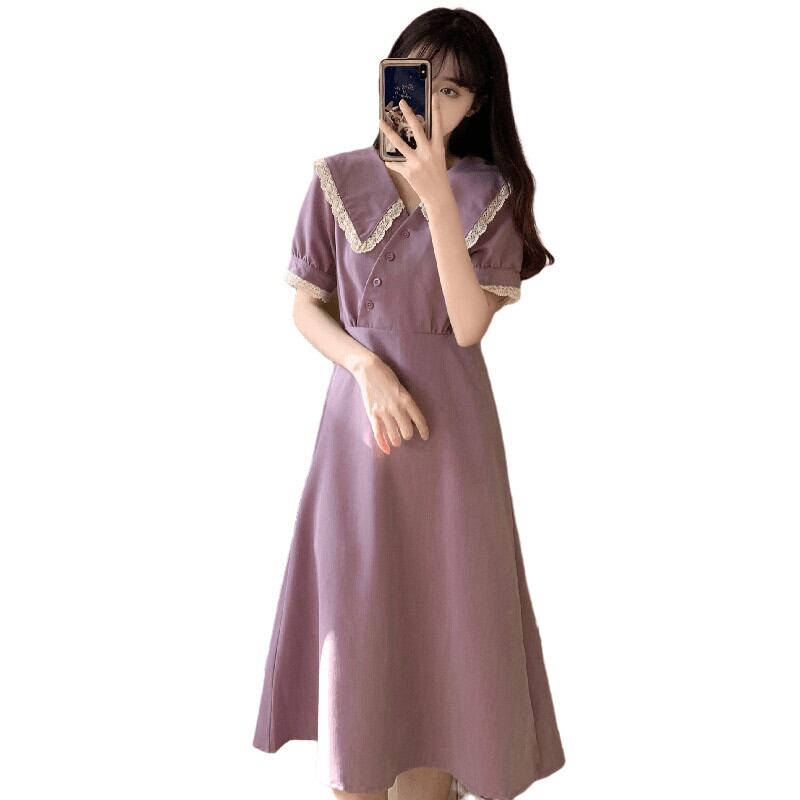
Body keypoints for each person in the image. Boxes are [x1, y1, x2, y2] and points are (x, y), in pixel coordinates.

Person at [253, 9, 566, 800]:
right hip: (356, 446)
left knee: (446, 637)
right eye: (418, 78)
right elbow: (306, 308)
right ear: (389, 75)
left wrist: (437, 199)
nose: (430, 101)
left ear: (477, 104)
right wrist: (366, 367)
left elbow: (467, 326)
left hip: (451, 448)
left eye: (452, 90)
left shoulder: (487, 193)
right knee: (359, 630)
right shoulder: (335, 178)